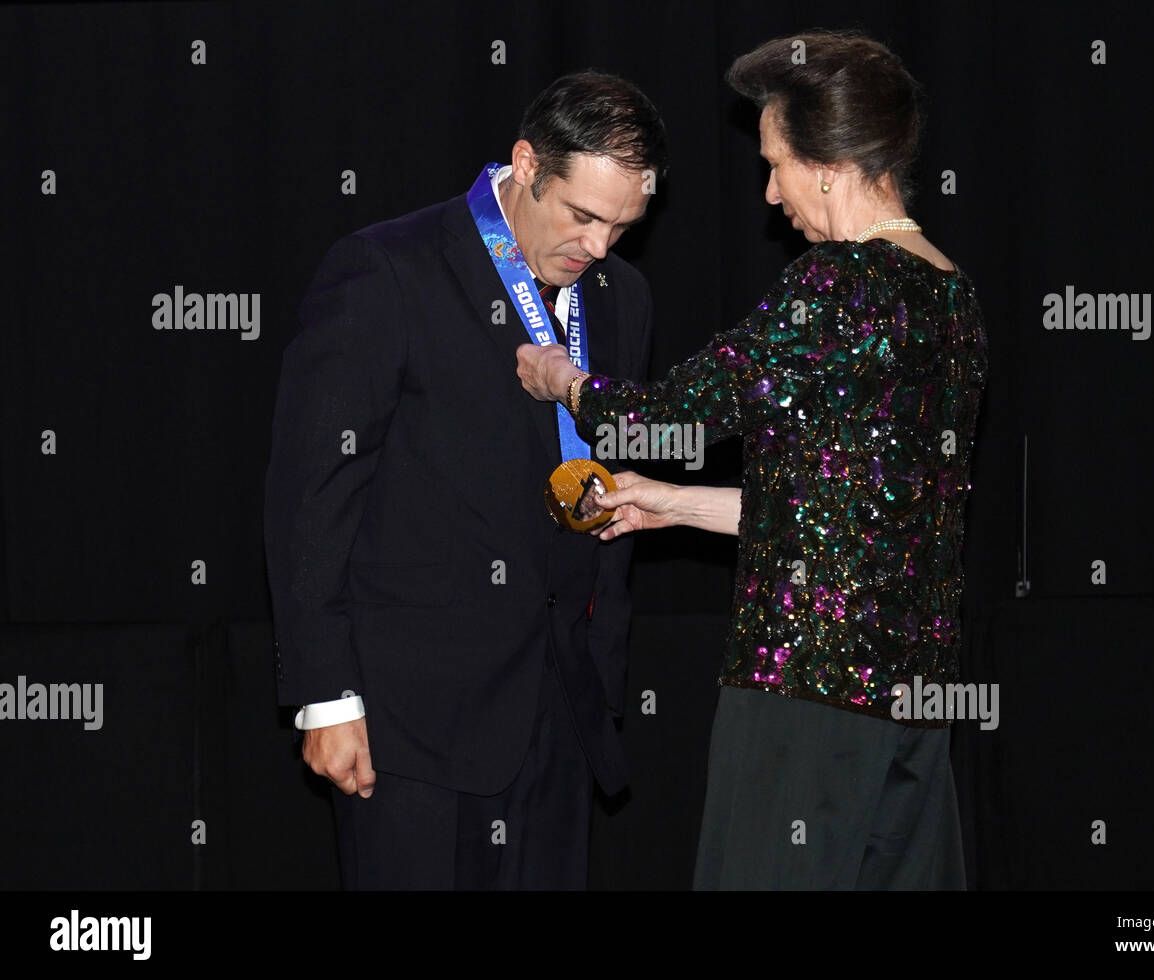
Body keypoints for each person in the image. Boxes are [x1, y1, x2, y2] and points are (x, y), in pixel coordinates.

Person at [517, 31, 988, 889]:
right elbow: (844, 515)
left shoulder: (838, 285)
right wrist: (675, 504)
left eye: (776, 164)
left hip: (800, 703)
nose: (770, 194)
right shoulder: (953, 298)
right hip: (914, 712)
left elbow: (663, 418)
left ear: (830, 168)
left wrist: (565, 378)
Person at [264, 71, 667, 889]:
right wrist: (327, 695)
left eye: (622, 226)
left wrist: (603, 670)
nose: (597, 247)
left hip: (560, 711)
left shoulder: (623, 297)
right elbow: (310, 493)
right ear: (526, 165)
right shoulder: (387, 269)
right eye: (582, 216)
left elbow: (615, 485)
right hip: (406, 720)